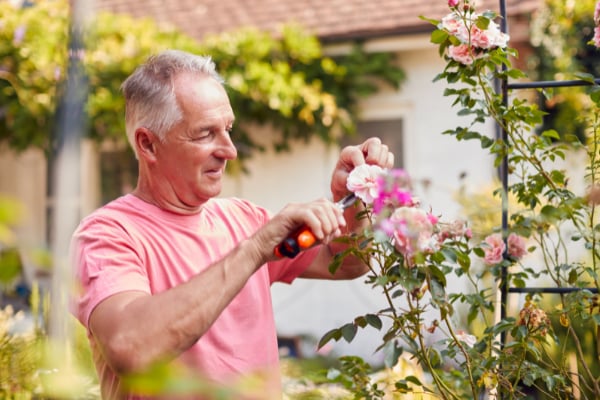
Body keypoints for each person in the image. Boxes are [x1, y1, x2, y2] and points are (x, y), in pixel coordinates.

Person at [71, 49, 394, 399]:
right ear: (148, 144)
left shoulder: (244, 220)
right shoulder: (107, 236)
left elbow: (344, 263)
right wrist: (254, 250)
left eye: (227, 129)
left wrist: (353, 201)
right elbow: (131, 347)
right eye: (205, 134)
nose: (229, 150)